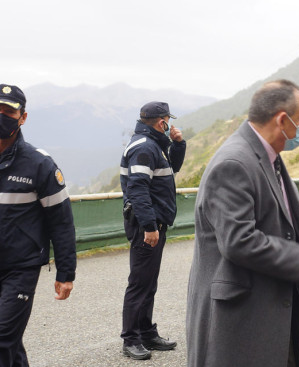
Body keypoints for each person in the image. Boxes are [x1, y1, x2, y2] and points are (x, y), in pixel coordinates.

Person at [186, 80, 299, 367]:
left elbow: (273, 211)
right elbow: (238, 240)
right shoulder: (234, 163)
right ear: (283, 119)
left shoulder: (266, 155)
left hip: (267, 315)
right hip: (241, 322)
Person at [0, 84, 76, 366]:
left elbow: (61, 222)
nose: (2, 116)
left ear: (23, 117)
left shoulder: (40, 164)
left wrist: (66, 272)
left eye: (10, 111)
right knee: (8, 343)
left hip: (21, 267)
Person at [119, 101, 186, 360]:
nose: (169, 125)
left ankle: (146, 332)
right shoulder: (145, 148)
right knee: (139, 283)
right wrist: (148, 226)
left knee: (149, 282)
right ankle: (131, 338)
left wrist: (178, 144)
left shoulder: (155, 145)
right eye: (168, 120)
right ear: (162, 122)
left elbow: (172, 169)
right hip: (146, 225)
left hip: (155, 222)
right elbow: (137, 189)